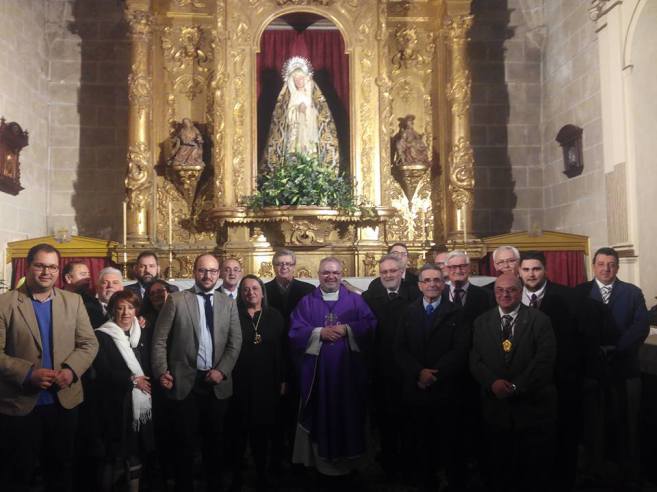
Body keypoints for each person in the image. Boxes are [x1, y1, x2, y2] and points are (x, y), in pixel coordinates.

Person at [0, 243, 98, 492]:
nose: (47, 272)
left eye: (53, 267)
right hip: (19, 403)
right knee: (17, 475)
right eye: (40, 266)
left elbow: (89, 343)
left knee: (61, 472)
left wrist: (71, 370)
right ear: (28, 266)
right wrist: (27, 373)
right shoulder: (5, 303)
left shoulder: (73, 301)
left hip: (63, 402)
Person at [151, 253, 242, 492]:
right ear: (194, 272)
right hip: (184, 383)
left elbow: (235, 343)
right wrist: (161, 371)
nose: (207, 275)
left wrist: (222, 371)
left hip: (216, 383)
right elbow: (159, 340)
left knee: (215, 445)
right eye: (202, 270)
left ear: (219, 273)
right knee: (184, 445)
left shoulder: (228, 303)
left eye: (212, 271)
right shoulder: (177, 300)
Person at [289, 257, 376, 479]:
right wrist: (319, 332)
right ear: (318, 275)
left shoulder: (355, 301)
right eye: (326, 272)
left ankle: (350, 464)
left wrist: (348, 329)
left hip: (349, 375)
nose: (331, 277)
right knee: (321, 414)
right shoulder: (307, 302)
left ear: (341, 274)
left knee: (349, 415)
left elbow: (370, 324)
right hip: (319, 376)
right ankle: (322, 466)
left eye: (335, 273)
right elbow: (295, 331)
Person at [470, 273, 556, 492]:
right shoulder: (481, 321)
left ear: (520, 291)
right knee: (498, 466)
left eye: (511, 290)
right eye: (500, 290)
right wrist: (492, 383)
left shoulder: (540, 320)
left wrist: (517, 386)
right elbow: (475, 359)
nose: (505, 294)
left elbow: (544, 360)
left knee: (531, 469)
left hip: (530, 407)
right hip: (495, 407)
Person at [574, 247, 649, 491]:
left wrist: (616, 348)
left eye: (611, 264)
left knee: (629, 424)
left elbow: (640, 326)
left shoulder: (632, 292)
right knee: (593, 425)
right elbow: (575, 329)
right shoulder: (579, 293)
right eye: (601, 264)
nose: (606, 269)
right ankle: (594, 472)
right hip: (592, 371)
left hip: (624, 369)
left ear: (617, 267)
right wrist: (594, 350)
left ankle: (630, 473)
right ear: (593, 266)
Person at [395, 263, 470, 491]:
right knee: (421, 442)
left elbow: (460, 349)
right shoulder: (407, 312)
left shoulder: (457, 312)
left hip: (446, 388)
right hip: (417, 388)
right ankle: (426, 481)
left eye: (436, 280)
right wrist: (418, 372)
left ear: (443, 284)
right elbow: (399, 348)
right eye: (426, 280)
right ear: (419, 285)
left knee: (450, 443)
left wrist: (434, 374)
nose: (432, 284)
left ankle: (454, 482)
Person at [519, 251, 583, 491]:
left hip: (560, 381)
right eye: (526, 269)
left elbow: (579, 339)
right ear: (519, 272)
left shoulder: (569, 296)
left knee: (563, 439)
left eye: (536, 269)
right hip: (524, 382)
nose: (531, 274)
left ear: (545, 270)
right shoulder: (509, 294)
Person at [362, 254, 418, 478]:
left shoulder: (415, 294)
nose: (388, 275)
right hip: (381, 367)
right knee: (385, 417)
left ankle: (410, 462)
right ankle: (388, 460)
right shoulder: (369, 297)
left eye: (392, 271)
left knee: (409, 417)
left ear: (401, 272)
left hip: (409, 367)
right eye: (384, 272)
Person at [229, 275, 285, 491]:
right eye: (245, 289)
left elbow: (282, 350)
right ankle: (236, 477)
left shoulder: (274, 316)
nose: (250, 292)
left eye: (255, 288)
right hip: (238, 382)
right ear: (240, 294)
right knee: (237, 433)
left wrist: (283, 379)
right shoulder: (233, 315)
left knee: (261, 433)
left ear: (262, 292)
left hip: (266, 384)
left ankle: (262, 474)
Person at [443, 250, 494, 488]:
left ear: (469, 268)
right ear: (446, 270)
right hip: (446, 371)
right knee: (449, 426)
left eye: (462, 266)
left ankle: (481, 470)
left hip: (476, 369)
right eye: (453, 267)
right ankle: (454, 473)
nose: (458, 271)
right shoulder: (437, 293)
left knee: (477, 423)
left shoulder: (484, 296)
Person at [94, 290, 154, 492]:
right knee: (113, 453)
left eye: (130, 307)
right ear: (112, 310)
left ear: (136, 310)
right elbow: (102, 370)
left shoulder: (143, 331)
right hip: (116, 403)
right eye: (120, 308)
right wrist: (132, 380)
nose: (125, 312)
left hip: (142, 402)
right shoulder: (102, 335)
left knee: (137, 450)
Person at [263, 249, 314, 472]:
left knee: (296, 408)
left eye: (288, 264)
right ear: (273, 266)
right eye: (280, 264)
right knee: (274, 409)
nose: (284, 267)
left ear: (294, 266)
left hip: (299, 355)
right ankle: (275, 456)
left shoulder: (307, 290)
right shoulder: (263, 290)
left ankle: (297, 457)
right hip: (272, 354)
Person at [262, 56, 339, 171]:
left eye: (301, 78)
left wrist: (308, 111)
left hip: (309, 130)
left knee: (309, 150)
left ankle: (310, 169)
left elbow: (319, 113)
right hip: (294, 131)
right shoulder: (292, 96)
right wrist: (297, 110)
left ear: (306, 79)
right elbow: (285, 115)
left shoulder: (311, 95)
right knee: (294, 152)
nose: (299, 82)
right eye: (296, 79)